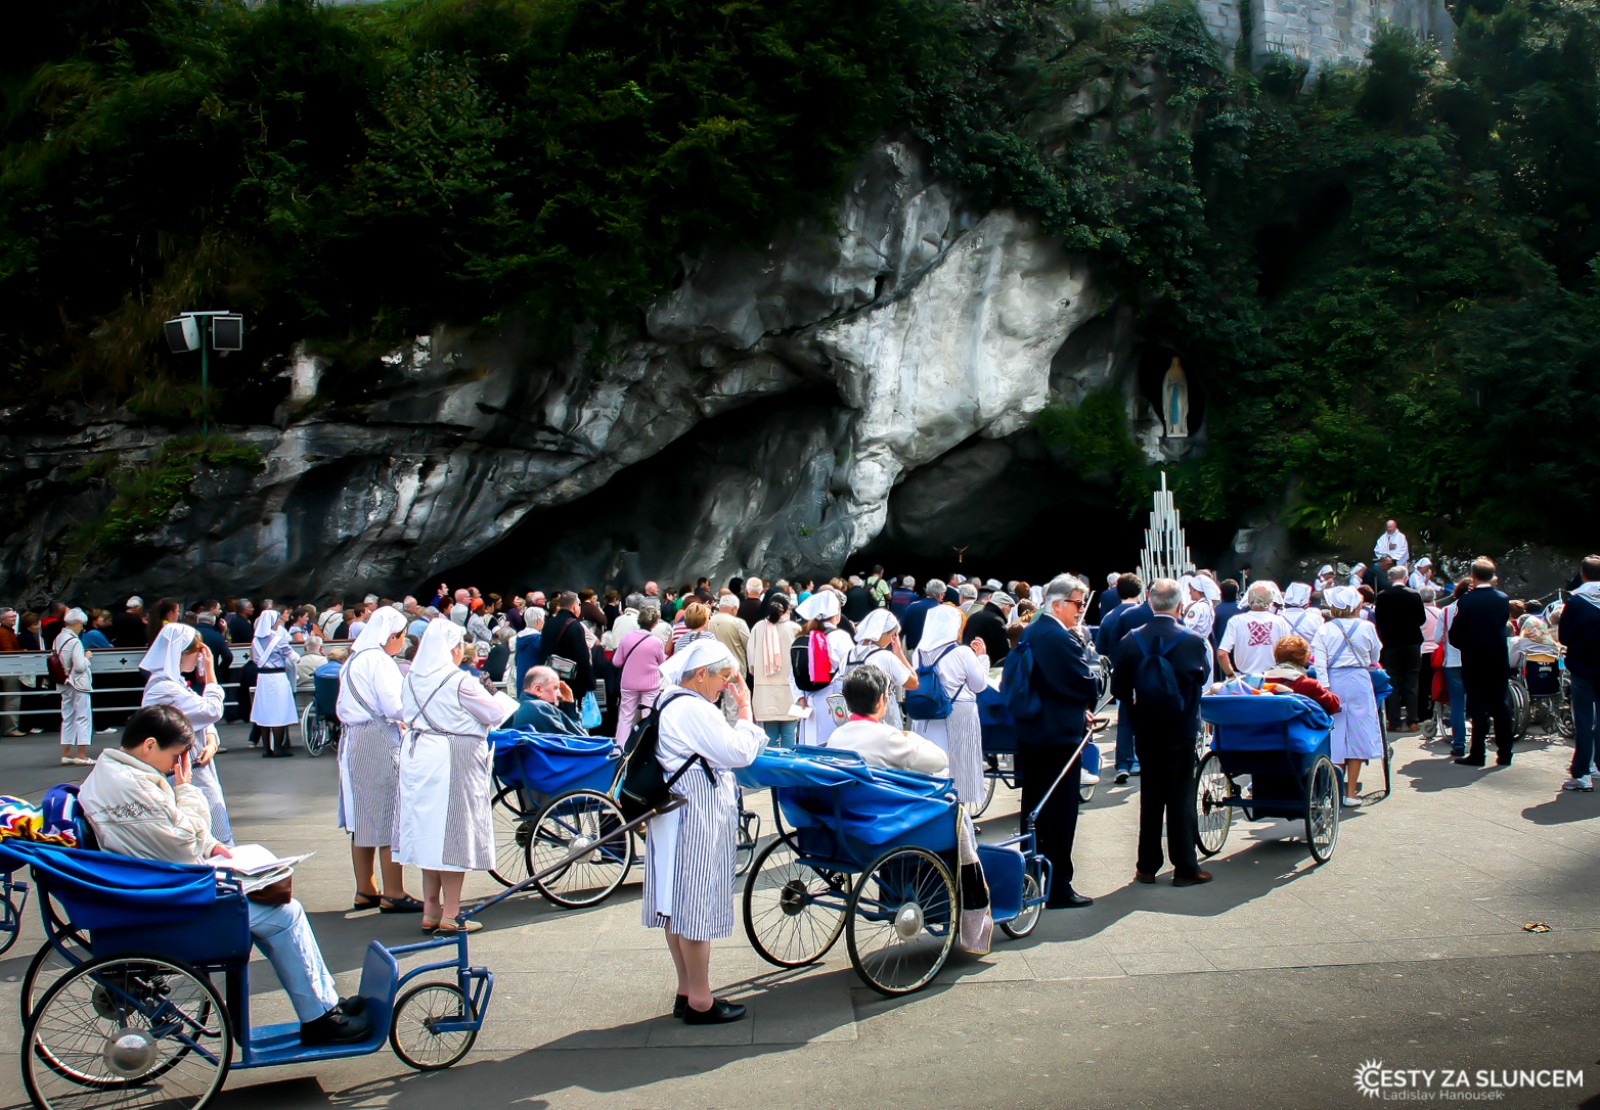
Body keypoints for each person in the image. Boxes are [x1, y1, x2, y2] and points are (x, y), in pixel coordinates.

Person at [79, 705, 369, 1046]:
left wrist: (204, 837)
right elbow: (184, 847)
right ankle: (321, 1016)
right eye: (174, 756)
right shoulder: (133, 787)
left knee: (275, 897)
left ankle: (326, 1003)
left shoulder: (115, 774)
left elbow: (176, 837)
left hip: (156, 886)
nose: (175, 766)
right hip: (170, 901)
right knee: (285, 914)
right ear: (149, 746)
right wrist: (187, 792)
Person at [641, 639, 763, 1025]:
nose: (725, 685)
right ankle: (700, 998)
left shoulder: (668, 700)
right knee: (695, 902)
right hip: (695, 808)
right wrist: (745, 709)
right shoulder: (694, 708)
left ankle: (686, 989)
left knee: (676, 902)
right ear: (699, 674)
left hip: (673, 805)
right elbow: (738, 752)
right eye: (722, 678)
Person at [395, 620, 505, 934]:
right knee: (454, 833)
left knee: (428, 831)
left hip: (418, 754)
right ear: (452, 648)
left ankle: (431, 908)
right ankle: (452, 913)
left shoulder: (411, 678)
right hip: (452, 755)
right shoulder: (459, 681)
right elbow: (495, 713)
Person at [1112, 578, 1212, 886]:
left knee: (1151, 796)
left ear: (1150, 602)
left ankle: (1147, 866)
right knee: (1181, 796)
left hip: (1147, 728)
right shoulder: (1193, 641)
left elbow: (1118, 688)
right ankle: (1184, 866)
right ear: (1179, 605)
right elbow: (1202, 678)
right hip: (1180, 727)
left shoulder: (1131, 640)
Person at [1014, 574, 1100, 908]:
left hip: (1037, 729)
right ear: (1058, 604)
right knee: (1060, 811)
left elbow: (1053, 684)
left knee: (1035, 806)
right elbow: (1086, 684)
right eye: (1078, 604)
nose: (1081, 610)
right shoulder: (1058, 637)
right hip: (1057, 736)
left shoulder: (1034, 630)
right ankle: (1059, 886)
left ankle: (1031, 877)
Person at [335, 607, 423, 914]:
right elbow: (395, 705)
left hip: (354, 739)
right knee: (388, 814)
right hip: (376, 738)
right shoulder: (379, 661)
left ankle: (366, 888)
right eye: (401, 637)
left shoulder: (353, 660)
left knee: (362, 817)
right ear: (392, 635)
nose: (402, 643)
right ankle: (394, 891)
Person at [139, 623, 234, 843]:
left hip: (194, 763)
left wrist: (211, 741)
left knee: (208, 827)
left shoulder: (173, 684)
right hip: (183, 768)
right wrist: (210, 673)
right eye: (197, 652)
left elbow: (199, 716)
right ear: (181, 654)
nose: (200, 658)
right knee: (208, 831)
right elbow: (211, 710)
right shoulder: (166, 689)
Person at [907, 605, 988, 804]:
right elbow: (979, 685)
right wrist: (982, 658)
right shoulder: (963, 652)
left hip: (928, 712)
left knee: (932, 765)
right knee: (961, 765)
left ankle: (935, 805)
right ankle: (960, 814)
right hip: (959, 711)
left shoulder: (920, 651)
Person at [1311, 587, 1384, 806]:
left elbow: (1319, 663)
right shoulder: (1367, 627)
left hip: (1334, 680)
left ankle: (1333, 791)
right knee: (1358, 733)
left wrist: (1324, 688)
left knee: (1335, 734)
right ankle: (1351, 792)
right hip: (1359, 679)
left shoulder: (1325, 630)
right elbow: (1375, 655)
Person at [1448, 557, 1516, 768]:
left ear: (1474, 576)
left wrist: (1467, 647)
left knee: (1477, 706)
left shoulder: (1466, 601)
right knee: (1501, 706)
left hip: (1474, 659)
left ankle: (1478, 753)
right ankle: (1505, 752)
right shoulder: (1502, 598)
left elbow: (1455, 634)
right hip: (1497, 658)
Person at [826, 665, 949, 774]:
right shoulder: (887, 737)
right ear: (880, 701)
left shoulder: (835, 737)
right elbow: (940, 761)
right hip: (885, 799)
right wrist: (910, 736)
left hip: (848, 798)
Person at [1096, 573, 1145, 783]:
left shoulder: (1109, 617)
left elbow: (1101, 649)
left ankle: (1124, 762)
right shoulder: (1147, 613)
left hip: (1121, 674)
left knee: (1125, 720)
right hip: (1147, 673)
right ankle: (1142, 759)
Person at [790, 590, 854, 747]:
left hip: (807, 703)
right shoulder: (840, 637)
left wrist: (799, 697)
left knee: (810, 748)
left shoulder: (803, 637)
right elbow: (853, 670)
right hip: (834, 702)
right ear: (836, 613)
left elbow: (791, 674)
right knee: (834, 748)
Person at [1558, 555, 1600, 791]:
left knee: (1584, 720)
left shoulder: (1576, 602)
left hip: (1583, 667)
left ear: (1583, 574)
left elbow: (1564, 636)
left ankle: (1582, 772)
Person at [843, 608, 919, 729]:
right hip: (883, 723)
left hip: (853, 721)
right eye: (893, 634)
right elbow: (914, 683)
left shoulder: (848, 655)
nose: (893, 639)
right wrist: (899, 653)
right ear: (882, 633)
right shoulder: (885, 657)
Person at [1373, 565, 1426, 731]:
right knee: (1411, 681)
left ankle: (1394, 721)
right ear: (1406, 577)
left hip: (1391, 643)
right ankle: (1413, 720)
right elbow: (1421, 619)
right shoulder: (1414, 595)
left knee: (1393, 682)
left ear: (1390, 578)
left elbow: (1379, 620)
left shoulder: (1382, 596)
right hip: (1412, 642)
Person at [248, 609, 298, 757]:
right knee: (279, 712)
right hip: (277, 677)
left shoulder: (255, 640)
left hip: (262, 678)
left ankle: (266, 749)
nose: (278, 623)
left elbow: (255, 659)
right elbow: (293, 657)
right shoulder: (279, 640)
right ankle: (278, 747)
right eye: (276, 620)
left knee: (264, 712)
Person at [1217, 582, 1291, 679]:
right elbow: (1290, 651)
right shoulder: (1280, 622)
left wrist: (1231, 676)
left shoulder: (1236, 621)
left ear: (1249, 599)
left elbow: (1222, 653)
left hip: (1243, 681)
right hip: (1273, 680)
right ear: (1271, 601)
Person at [53, 608, 95, 765]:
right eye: (82, 624)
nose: (82, 628)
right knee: (83, 717)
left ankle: (66, 753)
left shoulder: (59, 638)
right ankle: (82, 755)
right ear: (76, 623)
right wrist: (87, 658)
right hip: (78, 683)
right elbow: (79, 666)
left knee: (68, 717)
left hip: (64, 683)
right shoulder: (75, 641)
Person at [1260, 635, 1342, 714]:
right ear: (1305, 657)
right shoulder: (1308, 685)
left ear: (1276, 656)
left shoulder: (1260, 682)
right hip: (1294, 727)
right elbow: (1334, 705)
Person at [511, 666, 587, 734]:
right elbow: (583, 741)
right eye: (555, 688)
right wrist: (570, 708)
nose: (560, 695)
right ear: (538, 690)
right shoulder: (541, 708)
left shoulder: (516, 710)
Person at [962, 591, 1014, 666]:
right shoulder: (996, 621)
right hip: (986, 667)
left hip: (968, 663)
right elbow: (1003, 652)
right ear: (1006, 607)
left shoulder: (974, 616)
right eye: (1010, 608)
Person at [708, 596, 752, 679]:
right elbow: (750, 646)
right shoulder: (738, 623)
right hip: (734, 675)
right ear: (734, 608)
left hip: (713, 674)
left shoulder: (708, 622)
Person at [901, 579, 944, 651]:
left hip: (913, 651)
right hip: (933, 653)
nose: (943, 596)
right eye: (943, 593)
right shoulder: (942, 609)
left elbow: (900, 629)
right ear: (939, 594)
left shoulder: (912, 606)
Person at [1210, 580, 1243, 652]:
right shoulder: (1243, 609)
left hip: (1221, 648)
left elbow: (1212, 632)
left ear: (1221, 593)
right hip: (1240, 649)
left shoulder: (1215, 610)